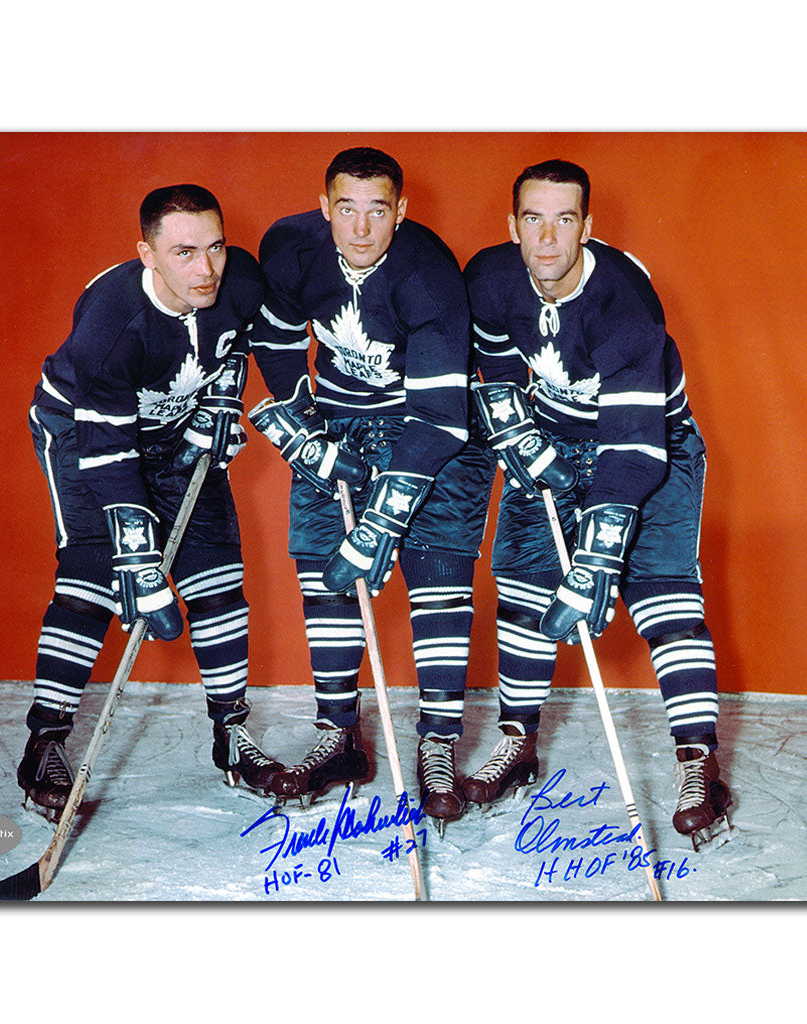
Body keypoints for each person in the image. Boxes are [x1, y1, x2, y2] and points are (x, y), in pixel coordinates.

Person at [462, 159, 732, 847]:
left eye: (564, 220)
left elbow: (635, 451)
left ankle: (699, 763)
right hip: (554, 435)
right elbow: (494, 366)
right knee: (524, 592)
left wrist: (596, 556)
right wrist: (516, 431)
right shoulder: (492, 277)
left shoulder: (625, 303)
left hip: (649, 447)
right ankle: (518, 745)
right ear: (512, 224)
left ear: (588, 226)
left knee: (664, 599)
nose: (547, 239)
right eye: (533, 218)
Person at [18, 184, 284, 820]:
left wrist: (222, 399)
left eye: (215, 248)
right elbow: (108, 452)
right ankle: (45, 742)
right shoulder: (112, 322)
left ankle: (232, 737)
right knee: (93, 578)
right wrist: (138, 562)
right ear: (148, 254)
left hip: (176, 431)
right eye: (185, 253)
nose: (206, 269)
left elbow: (236, 341)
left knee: (218, 581)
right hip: (84, 436)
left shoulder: (238, 279)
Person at [248, 147, 495, 828]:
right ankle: (338, 739)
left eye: (377, 210)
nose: (360, 229)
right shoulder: (292, 247)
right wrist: (305, 426)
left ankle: (438, 743)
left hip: (430, 428)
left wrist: (382, 521)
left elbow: (442, 419)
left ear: (401, 211)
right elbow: (272, 341)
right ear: (325, 207)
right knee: (328, 576)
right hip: (338, 421)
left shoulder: (430, 275)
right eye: (346, 209)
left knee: (437, 576)